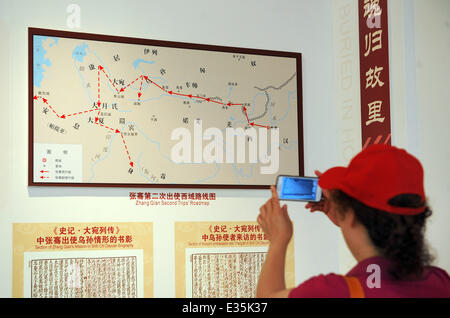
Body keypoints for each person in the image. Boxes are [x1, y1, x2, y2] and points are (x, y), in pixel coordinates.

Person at [256, 144, 450, 298]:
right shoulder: (440, 282)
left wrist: (278, 240)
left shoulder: (333, 292)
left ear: (354, 216)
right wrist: (345, 215)